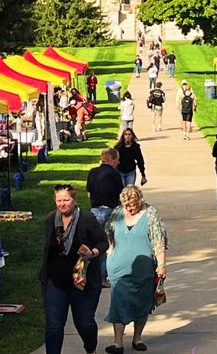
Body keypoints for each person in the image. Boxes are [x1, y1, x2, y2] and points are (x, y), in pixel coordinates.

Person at [40, 184, 108, 354]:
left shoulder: (86, 219)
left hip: (82, 282)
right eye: (59, 200)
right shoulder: (51, 220)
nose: (62, 204)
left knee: (84, 323)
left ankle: (90, 348)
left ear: (74, 200)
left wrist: (92, 252)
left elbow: (103, 242)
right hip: (55, 282)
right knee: (54, 325)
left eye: (66, 200)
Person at [104, 186, 167, 354]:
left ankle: (137, 339)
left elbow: (158, 241)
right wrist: (110, 251)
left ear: (140, 200)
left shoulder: (151, 214)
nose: (130, 208)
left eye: (133, 205)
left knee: (142, 304)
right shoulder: (117, 212)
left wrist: (161, 264)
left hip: (144, 270)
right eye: (127, 205)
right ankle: (118, 343)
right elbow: (109, 233)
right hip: (118, 268)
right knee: (118, 304)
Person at [87, 148, 125, 287]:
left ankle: (94, 275)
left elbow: (89, 193)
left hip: (95, 211)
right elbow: (121, 194)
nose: (118, 162)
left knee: (96, 243)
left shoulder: (92, 173)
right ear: (111, 160)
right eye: (117, 160)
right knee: (109, 244)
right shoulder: (115, 174)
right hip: (110, 211)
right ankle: (103, 276)